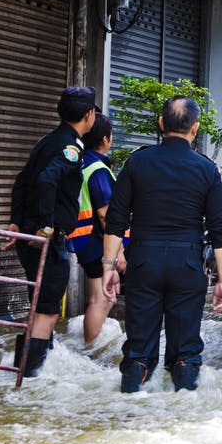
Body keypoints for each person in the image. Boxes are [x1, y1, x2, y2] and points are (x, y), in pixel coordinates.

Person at [101, 96, 222, 392]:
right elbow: (220, 229)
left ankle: (131, 398)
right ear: (195, 128)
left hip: (143, 262)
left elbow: (116, 220)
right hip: (187, 265)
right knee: (186, 353)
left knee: (137, 351)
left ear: (161, 124)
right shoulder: (207, 170)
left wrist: (109, 267)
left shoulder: (137, 162)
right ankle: (182, 407)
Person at [4, 85, 97, 376]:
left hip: (30, 236)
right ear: (88, 115)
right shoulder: (72, 146)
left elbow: (22, 180)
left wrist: (16, 221)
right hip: (46, 239)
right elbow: (46, 180)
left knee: (40, 302)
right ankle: (29, 377)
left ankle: (29, 370)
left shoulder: (46, 141)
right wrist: (46, 227)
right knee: (47, 308)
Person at [65, 112, 126, 345]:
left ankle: (88, 344)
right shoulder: (99, 170)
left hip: (84, 242)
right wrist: (118, 252)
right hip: (98, 243)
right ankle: (89, 347)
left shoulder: (80, 163)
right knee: (102, 300)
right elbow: (105, 214)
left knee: (96, 299)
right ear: (105, 139)